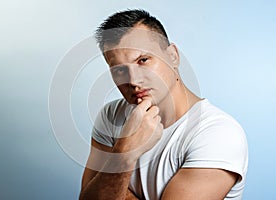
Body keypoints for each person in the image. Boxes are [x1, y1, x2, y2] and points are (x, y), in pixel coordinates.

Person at [79, 9, 248, 200]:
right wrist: (126, 152)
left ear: (173, 56)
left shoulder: (218, 133)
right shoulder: (111, 115)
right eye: (119, 70)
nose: (133, 80)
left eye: (143, 60)